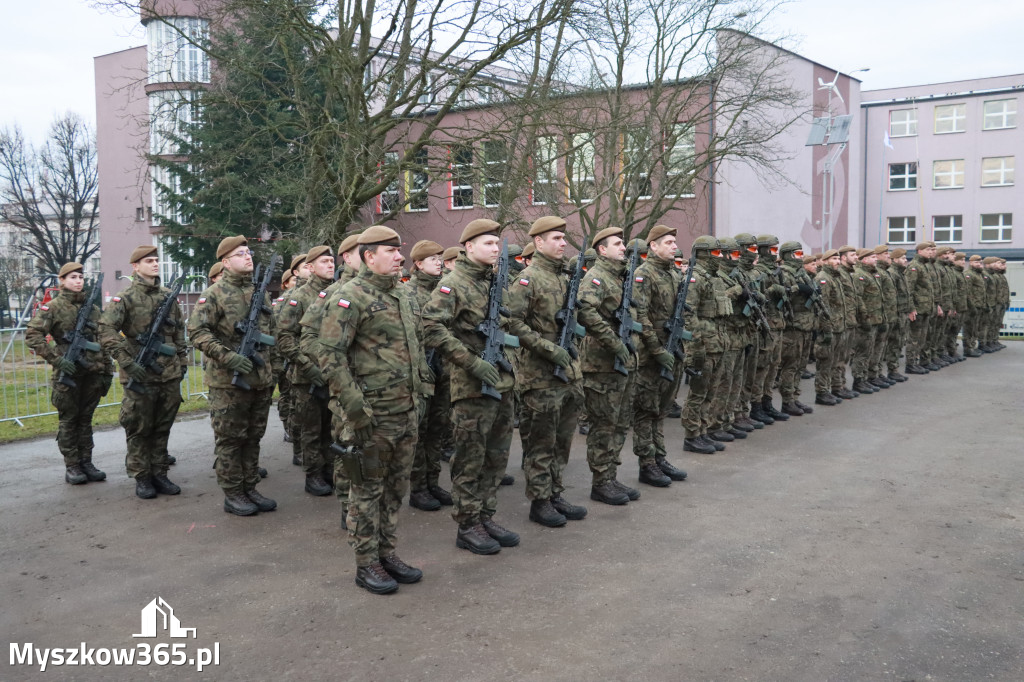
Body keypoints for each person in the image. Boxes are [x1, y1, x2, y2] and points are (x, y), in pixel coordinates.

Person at [316, 225, 431, 594]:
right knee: (366, 492)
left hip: (405, 410)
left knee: (396, 489)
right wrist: (354, 408)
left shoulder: (403, 294)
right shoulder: (349, 297)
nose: (400, 257)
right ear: (369, 256)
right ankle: (366, 563)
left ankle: (386, 553)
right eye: (391, 251)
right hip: (371, 417)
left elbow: (415, 349)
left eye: (400, 251)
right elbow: (329, 355)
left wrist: (422, 391)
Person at [423, 219, 520, 555]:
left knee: (496, 457)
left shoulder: (493, 282)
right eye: (489, 243)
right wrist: (471, 362)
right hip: (472, 387)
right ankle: (467, 524)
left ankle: (485, 515)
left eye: (497, 244)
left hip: (502, 382)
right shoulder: (453, 284)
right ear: (468, 247)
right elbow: (431, 328)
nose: (495, 249)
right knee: (470, 460)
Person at [187, 236, 279, 516]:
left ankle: (250, 487)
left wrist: (273, 371)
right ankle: (233, 493)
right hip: (228, 382)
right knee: (230, 439)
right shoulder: (213, 294)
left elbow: (272, 333)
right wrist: (228, 357)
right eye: (240, 254)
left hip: (259, 379)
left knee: (253, 438)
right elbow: (197, 332)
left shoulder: (259, 293)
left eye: (248, 253)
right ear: (225, 262)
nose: (248, 257)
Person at [507, 216, 588, 527]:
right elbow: (513, 322)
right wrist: (546, 347)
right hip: (540, 377)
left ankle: (555, 492)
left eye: (562, 238)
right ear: (538, 242)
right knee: (541, 441)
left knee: (562, 441)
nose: (562, 243)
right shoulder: (527, 279)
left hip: (568, 373)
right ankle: (540, 501)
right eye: (555, 238)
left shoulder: (563, 278)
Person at [98, 245, 187, 499]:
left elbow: (178, 331)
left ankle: (160, 473)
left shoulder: (168, 296)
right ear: (135, 266)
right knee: (139, 427)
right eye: (149, 261)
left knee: (162, 427)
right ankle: (142, 476)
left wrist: (182, 361)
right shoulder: (125, 298)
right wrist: (126, 360)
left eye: (156, 260)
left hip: (168, 374)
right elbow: (106, 330)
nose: (155, 264)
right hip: (139, 373)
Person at [26, 262, 114, 485]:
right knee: (68, 420)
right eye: (73, 277)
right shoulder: (53, 307)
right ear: (62, 280)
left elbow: (102, 341)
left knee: (85, 420)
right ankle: (72, 465)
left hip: (92, 372)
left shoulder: (92, 309)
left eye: (81, 277)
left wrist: (107, 371)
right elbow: (32, 336)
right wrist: (57, 359)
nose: (78, 281)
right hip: (68, 374)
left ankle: (87, 462)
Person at [577, 226, 645, 501]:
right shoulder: (596, 277)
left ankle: (610, 477)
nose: (623, 247)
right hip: (602, 364)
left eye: (624, 243)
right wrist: (613, 342)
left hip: (624, 362)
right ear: (601, 250)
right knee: (604, 425)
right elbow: (585, 311)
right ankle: (600, 482)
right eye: (617, 243)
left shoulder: (620, 277)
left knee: (620, 423)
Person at [630, 225, 690, 481]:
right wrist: (656, 350)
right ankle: (647, 464)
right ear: (653, 245)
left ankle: (659, 457)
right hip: (650, 356)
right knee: (646, 410)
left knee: (662, 410)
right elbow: (640, 316)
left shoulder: (674, 274)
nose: (674, 246)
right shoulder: (644, 274)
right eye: (668, 242)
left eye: (674, 242)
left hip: (673, 349)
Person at [277, 245, 337, 496]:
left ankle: (330, 470)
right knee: (312, 429)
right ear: (310, 267)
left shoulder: (339, 293)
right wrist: (307, 365)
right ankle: (314, 475)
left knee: (331, 428)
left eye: (332, 261)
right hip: (307, 377)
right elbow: (285, 338)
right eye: (324, 261)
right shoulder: (298, 297)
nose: (331, 265)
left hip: (333, 373)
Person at [406, 239, 454, 512]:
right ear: (419, 263)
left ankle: (433, 481)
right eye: (433, 258)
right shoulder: (408, 292)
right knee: (420, 432)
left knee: (438, 430)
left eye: (439, 257)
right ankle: (419, 488)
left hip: (444, 369)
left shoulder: (444, 289)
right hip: (423, 369)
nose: (439, 261)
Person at [812, 249, 848, 406]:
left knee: (834, 360)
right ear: (825, 261)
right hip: (829, 327)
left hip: (838, 325)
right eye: (834, 259)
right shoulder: (823, 278)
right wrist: (826, 329)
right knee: (825, 361)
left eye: (838, 259)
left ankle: (831, 388)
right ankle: (821, 392)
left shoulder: (835, 277)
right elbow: (822, 306)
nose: (838, 262)